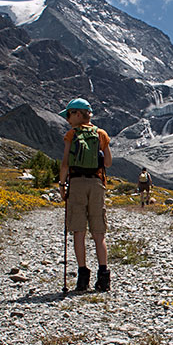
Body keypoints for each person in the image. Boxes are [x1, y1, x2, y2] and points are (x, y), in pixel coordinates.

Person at [58, 98, 112, 292]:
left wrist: (62, 184)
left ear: (78, 114)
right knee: (99, 233)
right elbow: (107, 162)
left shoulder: (71, 134)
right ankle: (104, 277)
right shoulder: (101, 134)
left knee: (78, 232)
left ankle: (82, 278)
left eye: (69, 114)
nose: (67, 119)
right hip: (97, 184)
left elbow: (65, 163)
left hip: (77, 183)